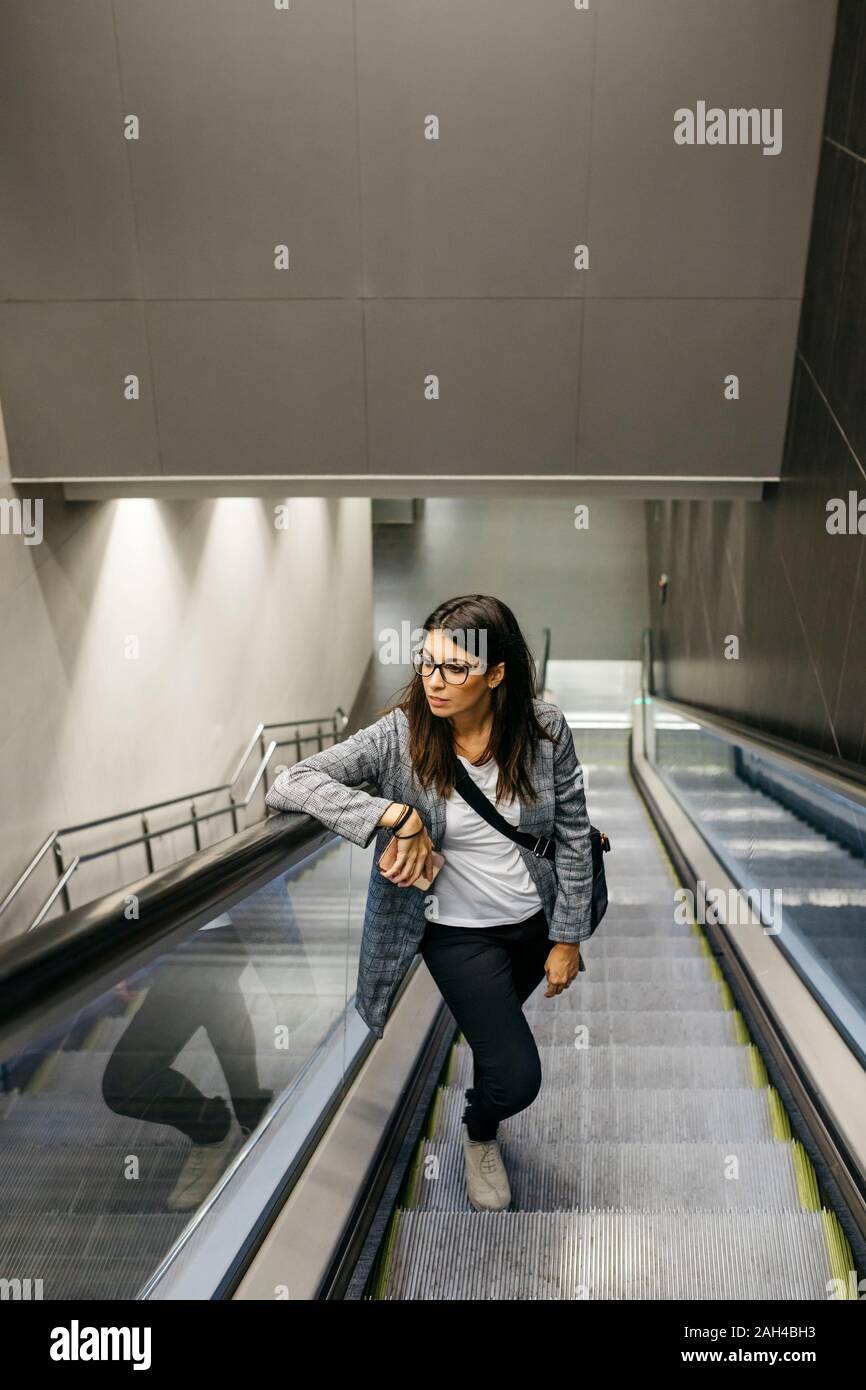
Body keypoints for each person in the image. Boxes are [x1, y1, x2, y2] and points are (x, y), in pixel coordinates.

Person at [265, 594, 595, 1211]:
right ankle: (479, 1133)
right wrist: (394, 814)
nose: (433, 681)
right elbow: (289, 782)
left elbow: (574, 832)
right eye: (426, 663)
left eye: (453, 669)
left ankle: (485, 1104)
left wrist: (568, 937)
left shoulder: (545, 731)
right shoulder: (401, 735)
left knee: (499, 1053)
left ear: (496, 675)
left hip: (533, 924)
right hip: (458, 934)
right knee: (520, 1076)